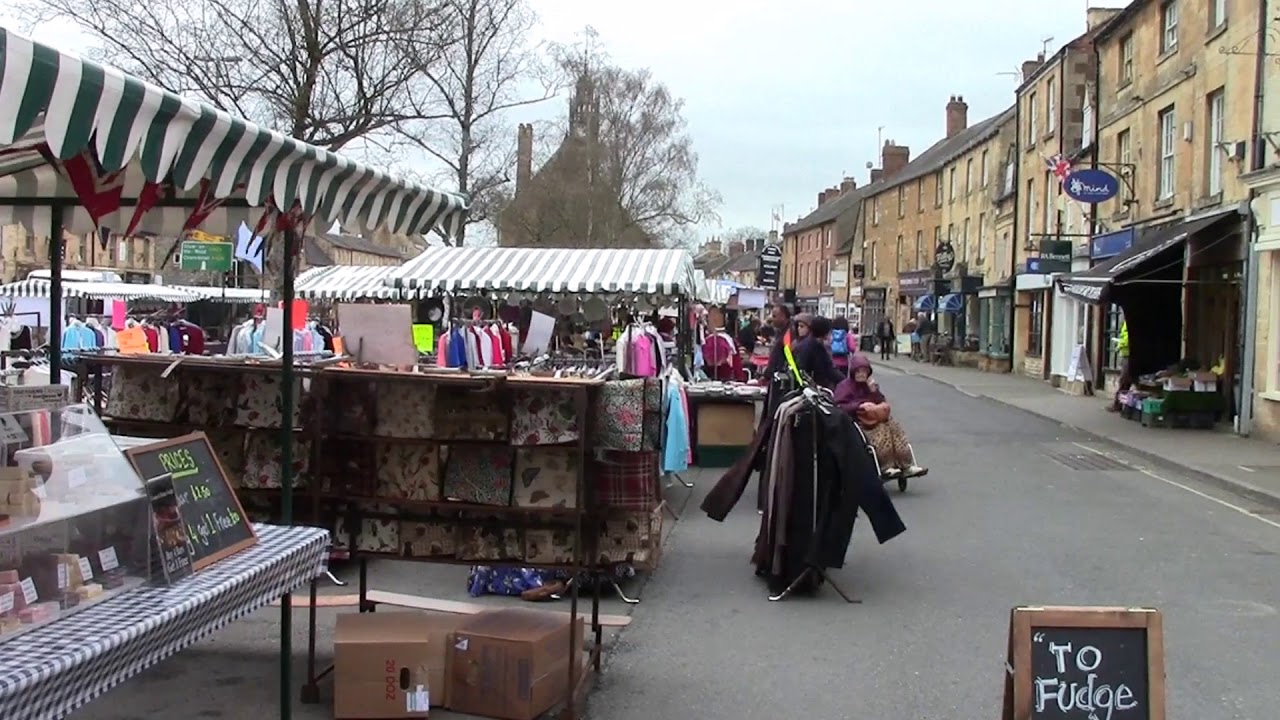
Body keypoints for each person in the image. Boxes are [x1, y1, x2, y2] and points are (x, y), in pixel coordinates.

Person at [835, 354, 926, 478]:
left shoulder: (870, 386)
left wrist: (874, 391)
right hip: (859, 421)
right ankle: (886, 466)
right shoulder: (845, 386)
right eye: (859, 371)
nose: (862, 374)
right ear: (853, 372)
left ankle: (906, 464)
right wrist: (859, 405)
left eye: (864, 372)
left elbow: (881, 400)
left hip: (875, 417)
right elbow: (839, 406)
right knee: (882, 432)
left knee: (894, 428)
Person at [792, 314, 843, 389]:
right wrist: (845, 381)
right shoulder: (816, 348)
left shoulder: (806, 344)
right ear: (825, 332)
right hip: (811, 389)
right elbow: (828, 370)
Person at [1109, 314, 1131, 412]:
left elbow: (1128, 340)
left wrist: (1120, 344)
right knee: (1125, 382)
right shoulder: (1126, 323)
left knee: (1124, 381)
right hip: (1126, 354)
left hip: (1130, 355)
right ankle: (1120, 404)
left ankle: (1118, 405)